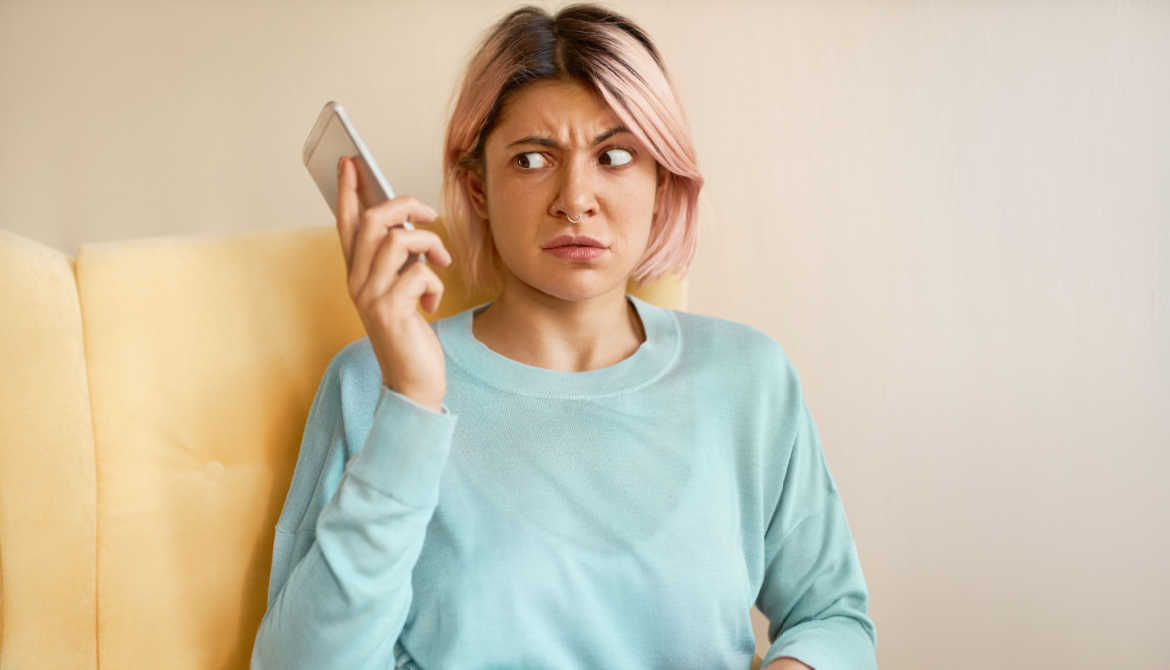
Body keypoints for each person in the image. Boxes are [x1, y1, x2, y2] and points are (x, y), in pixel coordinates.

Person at [250, 4, 877, 669]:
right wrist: (412, 400)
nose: (576, 198)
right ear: (478, 187)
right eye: (530, 159)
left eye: (614, 155)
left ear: (660, 181)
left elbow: (832, 617)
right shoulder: (371, 383)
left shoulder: (747, 377)